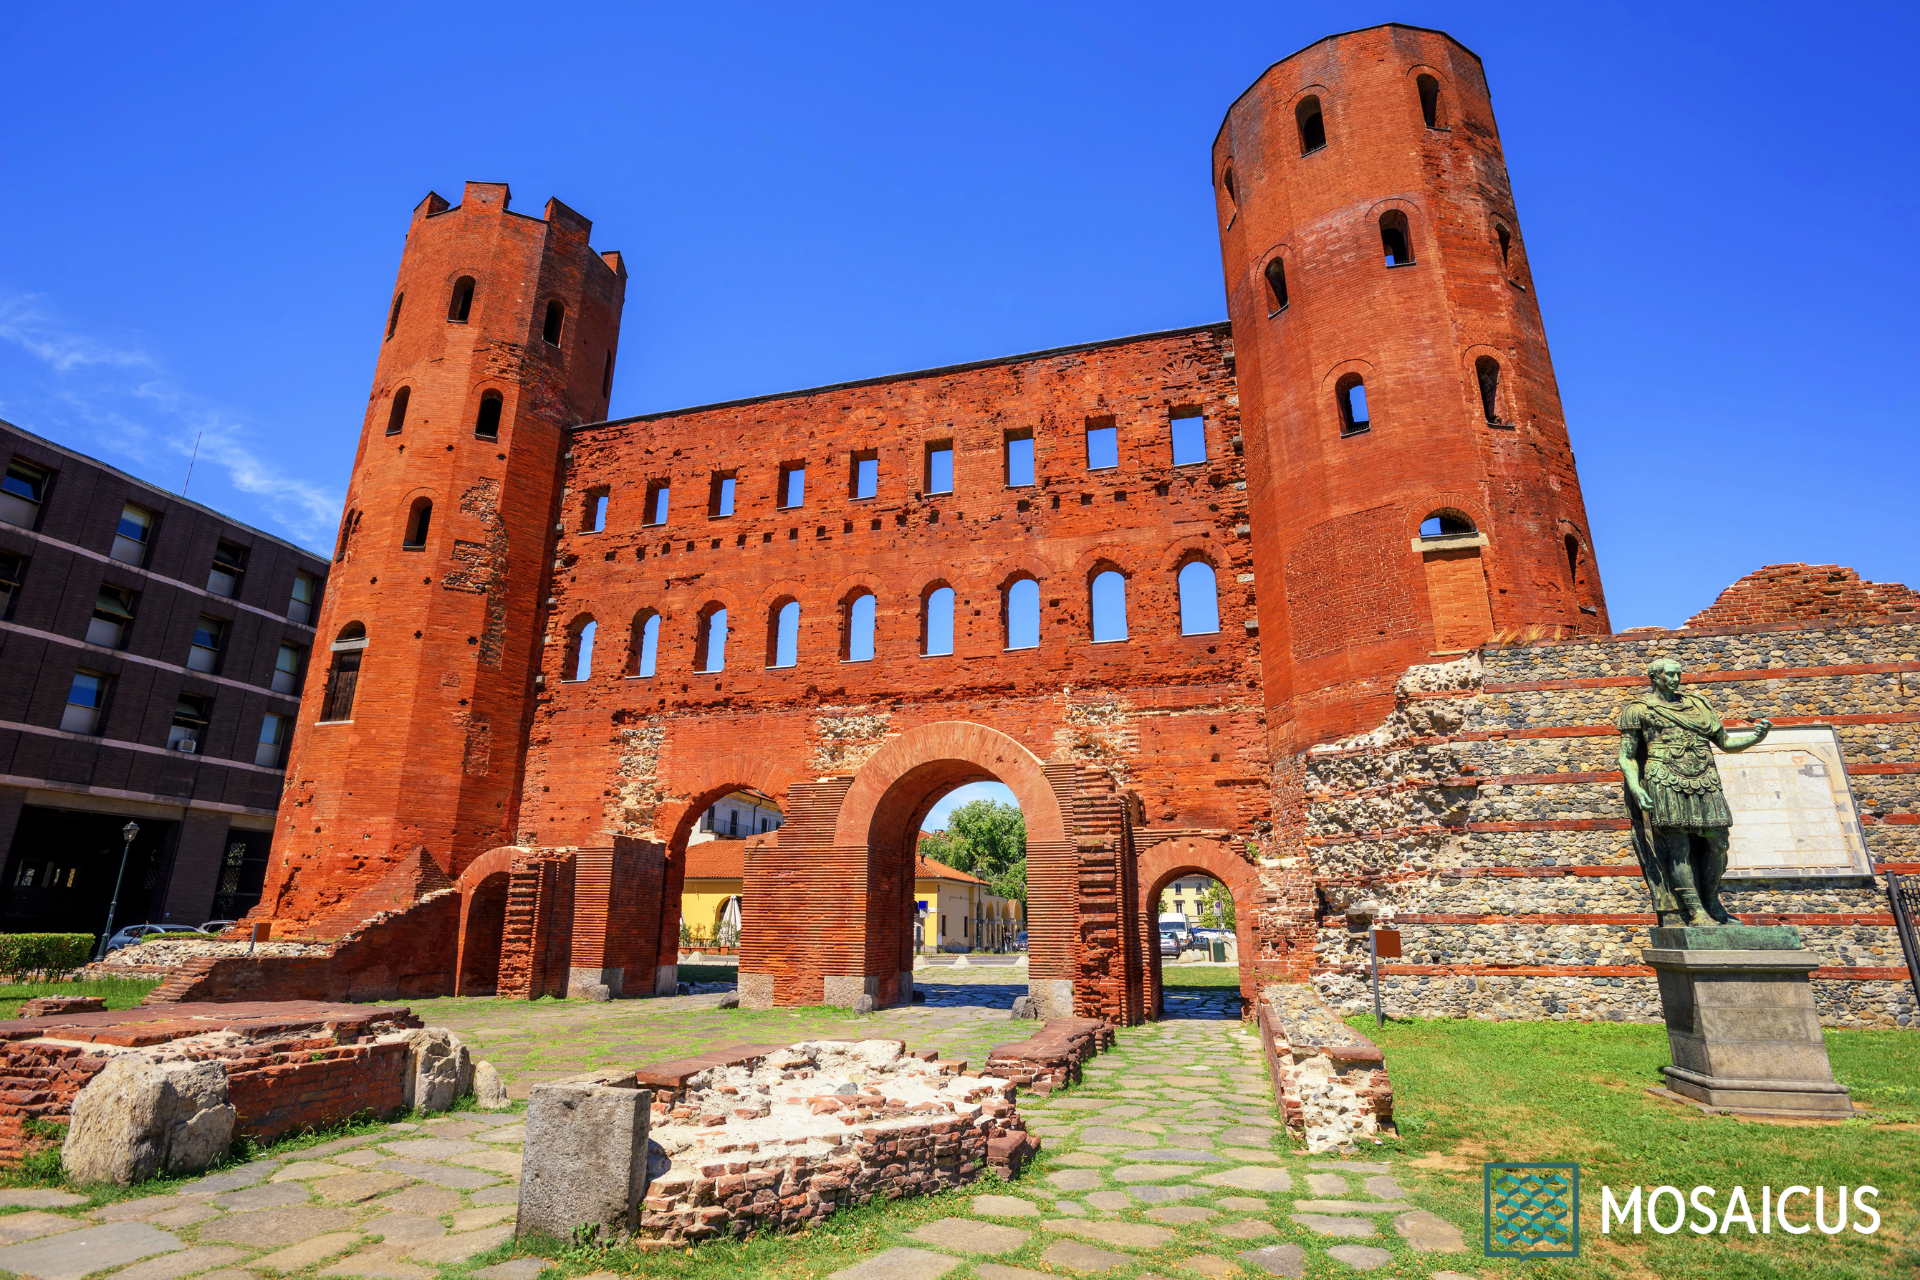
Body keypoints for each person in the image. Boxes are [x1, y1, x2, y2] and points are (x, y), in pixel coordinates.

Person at [1617, 658, 1771, 927]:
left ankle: (1713, 902)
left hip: (1705, 778)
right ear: (1655, 677)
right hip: (1663, 777)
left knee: (1719, 842)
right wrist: (1635, 786)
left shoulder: (1699, 706)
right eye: (1671, 675)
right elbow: (1627, 756)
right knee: (1679, 847)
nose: (1677, 679)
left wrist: (1755, 737)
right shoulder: (1638, 709)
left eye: (1679, 674)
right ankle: (1696, 910)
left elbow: (1725, 743)